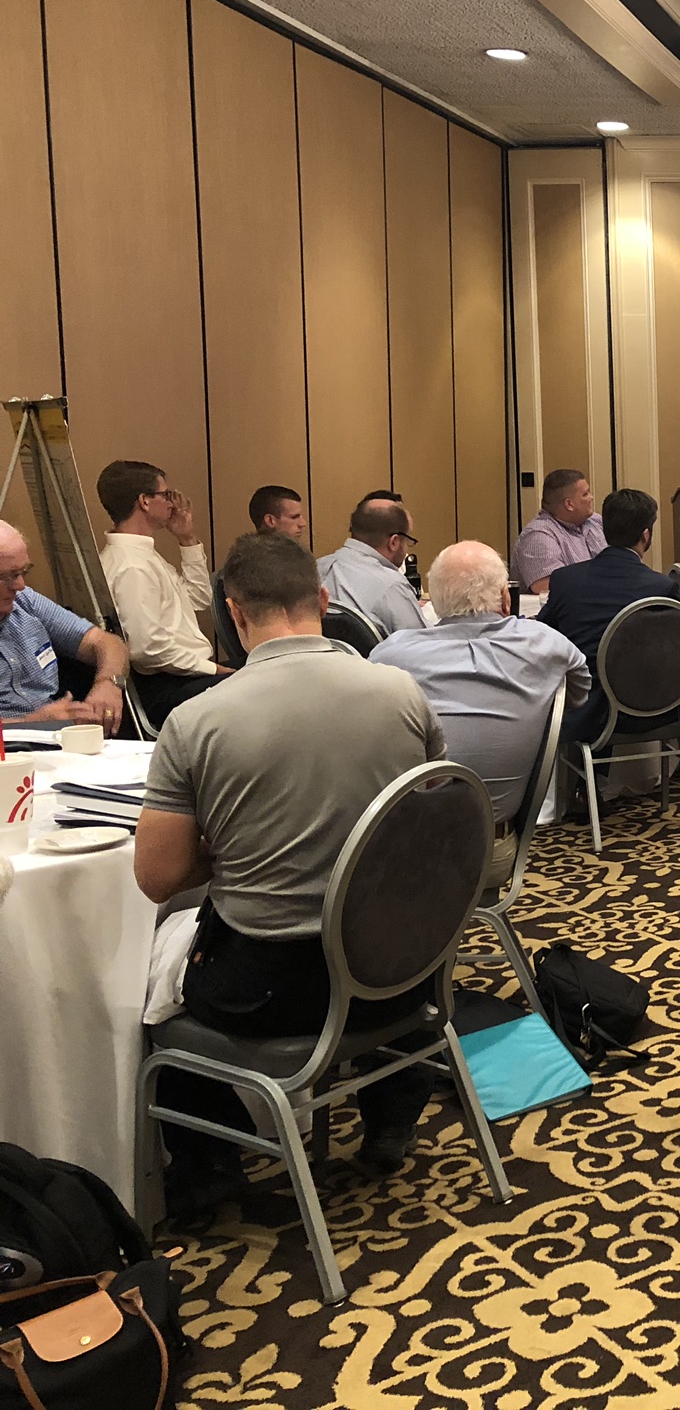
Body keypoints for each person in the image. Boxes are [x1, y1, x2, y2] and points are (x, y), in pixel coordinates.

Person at [134, 533, 451, 1216]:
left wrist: (231, 848)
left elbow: (158, 879)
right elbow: (430, 818)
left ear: (233, 612)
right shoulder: (402, 693)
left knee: (149, 984)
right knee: (373, 906)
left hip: (272, 995)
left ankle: (211, 1167)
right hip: (402, 975)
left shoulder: (194, 722)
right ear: (324, 601)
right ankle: (391, 1112)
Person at [371, 542, 591, 885]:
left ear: (435, 603)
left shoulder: (390, 654)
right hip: (491, 847)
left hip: (401, 846)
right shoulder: (546, 644)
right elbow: (576, 693)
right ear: (505, 598)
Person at [538, 488, 680, 818]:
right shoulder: (660, 587)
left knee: (600, 672)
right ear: (646, 535)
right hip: (655, 709)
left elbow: (545, 636)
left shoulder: (565, 580)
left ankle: (584, 791)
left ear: (606, 530)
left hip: (587, 711)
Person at [97, 458, 229, 724]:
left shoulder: (141, 554)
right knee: (265, 683)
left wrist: (187, 539)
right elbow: (146, 650)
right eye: (166, 495)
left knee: (267, 668)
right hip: (165, 686)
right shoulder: (131, 565)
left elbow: (199, 599)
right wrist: (214, 669)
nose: (172, 504)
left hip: (181, 675)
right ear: (145, 501)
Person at [0, 520, 127, 729]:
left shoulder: (25, 602)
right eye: (9, 576)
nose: (20, 585)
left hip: (58, 737)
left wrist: (108, 682)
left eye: (23, 572)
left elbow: (106, 642)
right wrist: (33, 723)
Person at [317, 495, 427, 638]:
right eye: (407, 540)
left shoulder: (315, 568)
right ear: (394, 542)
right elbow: (419, 645)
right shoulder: (392, 586)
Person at [511, 468, 607, 594]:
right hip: (566, 604)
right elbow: (546, 586)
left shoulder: (595, 521)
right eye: (585, 494)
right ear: (569, 504)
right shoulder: (538, 535)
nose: (591, 497)